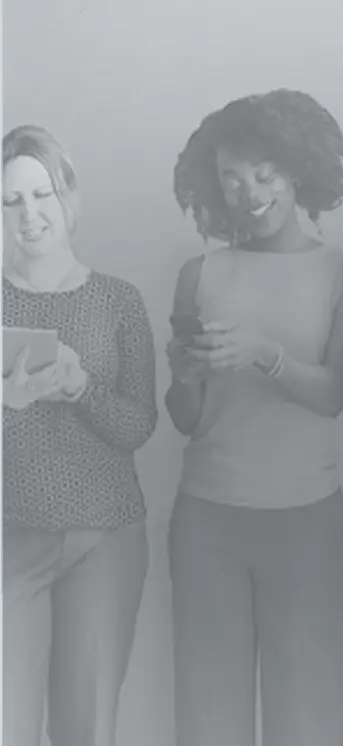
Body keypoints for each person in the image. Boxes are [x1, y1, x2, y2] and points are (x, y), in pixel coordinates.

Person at [165, 88, 343, 746]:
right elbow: (188, 419)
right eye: (231, 177)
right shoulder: (198, 273)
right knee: (207, 721)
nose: (247, 191)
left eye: (264, 173)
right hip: (206, 523)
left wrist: (263, 355)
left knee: (306, 722)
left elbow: (335, 395)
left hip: (309, 524)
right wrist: (186, 376)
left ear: (299, 170)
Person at [0, 125, 158, 746]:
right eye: (12, 200)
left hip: (105, 539)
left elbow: (139, 426)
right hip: (10, 536)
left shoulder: (119, 301)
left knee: (85, 731)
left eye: (41, 194)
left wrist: (80, 389)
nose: (29, 214)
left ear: (68, 195)